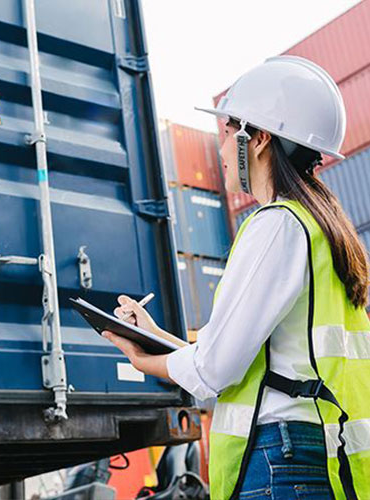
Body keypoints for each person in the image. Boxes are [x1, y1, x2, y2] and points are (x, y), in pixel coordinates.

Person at [101, 55, 370, 499]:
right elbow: (254, 357)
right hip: (312, 450)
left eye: (226, 132)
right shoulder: (319, 227)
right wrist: (154, 335)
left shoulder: (277, 225)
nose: (221, 149)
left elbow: (215, 370)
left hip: (281, 460)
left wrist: (141, 358)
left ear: (258, 139)